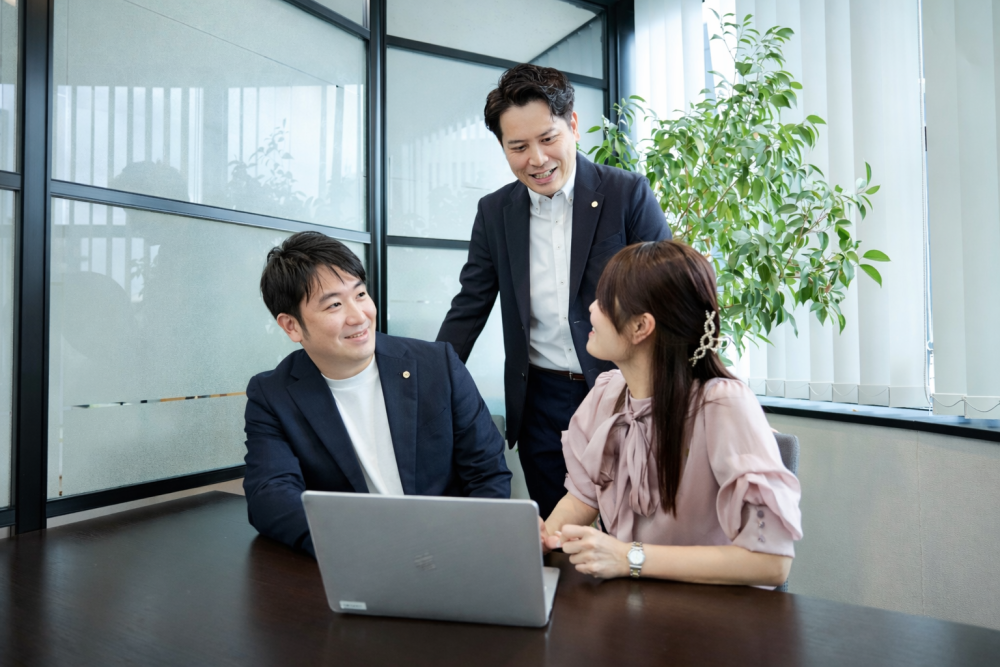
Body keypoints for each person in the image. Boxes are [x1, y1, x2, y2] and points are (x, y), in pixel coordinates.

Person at [436, 64, 671, 519]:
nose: (537, 159)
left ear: (573, 125)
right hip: (539, 399)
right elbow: (470, 305)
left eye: (548, 139)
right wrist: (426, 381)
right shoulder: (495, 212)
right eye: (518, 147)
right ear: (503, 147)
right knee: (554, 534)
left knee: (631, 525)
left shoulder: (626, 194)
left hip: (623, 389)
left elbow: (669, 293)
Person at [540, 240, 802, 587]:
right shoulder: (606, 393)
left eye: (603, 301)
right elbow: (581, 499)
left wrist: (628, 557)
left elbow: (772, 563)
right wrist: (544, 537)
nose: (590, 308)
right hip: (631, 604)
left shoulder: (722, 405)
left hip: (709, 609)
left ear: (641, 327)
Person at [243, 231, 511, 556]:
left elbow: (487, 473)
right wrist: (363, 545)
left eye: (360, 294)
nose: (358, 316)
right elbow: (270, 495)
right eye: (334, 305)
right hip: (359, 555)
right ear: (291, 326)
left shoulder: (436, 365)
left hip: (451, 549)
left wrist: (473, 545)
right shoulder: (272, 395)